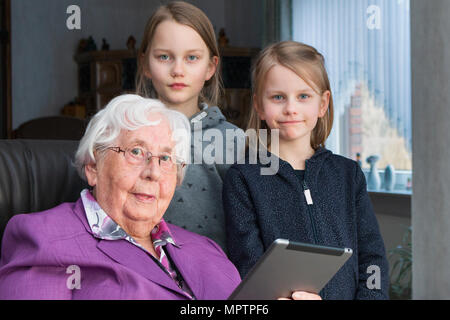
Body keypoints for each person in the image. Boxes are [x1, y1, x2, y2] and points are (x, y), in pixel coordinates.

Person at [0, 95, 240, 300]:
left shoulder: (207, 249)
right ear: (93, 167)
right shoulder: (44, 240)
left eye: (166, 158)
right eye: (136, 152)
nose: (153, 173)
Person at [223, 41, 390, 300]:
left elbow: (373, 260)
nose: (291, 108)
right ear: (258, 105)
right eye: (278, 97)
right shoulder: (243, 179)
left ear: (323, 104)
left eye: (304, 96)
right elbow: (248, 267)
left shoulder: (349, 175)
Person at [135, 1, 245, 252]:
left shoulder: (235, 141)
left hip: (213, 278)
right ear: (145, 64)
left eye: (192, 58)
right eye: (164, 57)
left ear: (210, 67)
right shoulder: (125, 135)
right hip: (142, 276)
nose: (177, 70)